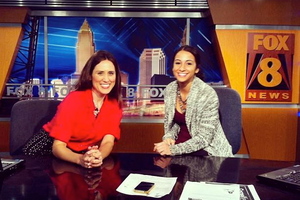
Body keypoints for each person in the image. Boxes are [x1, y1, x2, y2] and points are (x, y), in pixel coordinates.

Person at [39, 50, 122, 168]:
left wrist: (99, 156)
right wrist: (80, 160)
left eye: (110, 73)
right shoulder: (74, 100)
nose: (106, 79)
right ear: (90, 76)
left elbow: (108, 141)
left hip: (80, 154)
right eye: (100, 73)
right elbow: (58, 147)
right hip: (46, 153)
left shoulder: (114, 104)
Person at [153, 45, 232, 157]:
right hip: (179, 148)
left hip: (207, 151)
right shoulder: (169, 90)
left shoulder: (207, 94)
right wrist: (168, 137)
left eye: (188, 63)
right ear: (172, 67)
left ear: (196, 69)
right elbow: (173, 123)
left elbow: (204, 138)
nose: (182, 68)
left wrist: (173, 150)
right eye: (178, 63)